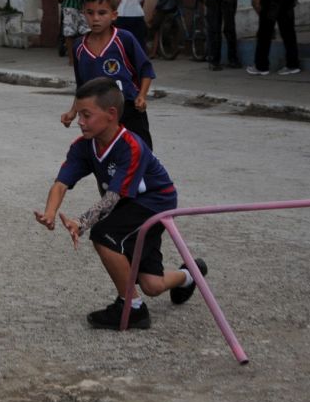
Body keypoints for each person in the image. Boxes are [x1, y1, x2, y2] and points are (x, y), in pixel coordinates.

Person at [35, 77, 205, 330]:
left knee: (104, 234)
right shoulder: (83, 146)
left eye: (86, 115)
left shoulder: (131, 146)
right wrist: (50, 213)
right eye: (78, 114)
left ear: (111, 114)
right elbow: (61, 183)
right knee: (152, 285)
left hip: (155, 202)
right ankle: (190, 276)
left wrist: (81, 223)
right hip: (129, 204)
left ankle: (132, 307)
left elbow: (113, 198)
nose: (79, 121)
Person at [61, 0, 155, 149]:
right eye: (90, 13)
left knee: (141, 153)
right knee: (107, 157)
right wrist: (73, 111)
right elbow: (82, 86)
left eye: (102, 13)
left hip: (129, 108)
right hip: (98, 113)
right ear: (84, 14)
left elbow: (145, 70)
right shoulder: (79, 47)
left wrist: (141, 96)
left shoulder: (124, 39)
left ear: (114, 15)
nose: (95, 18)